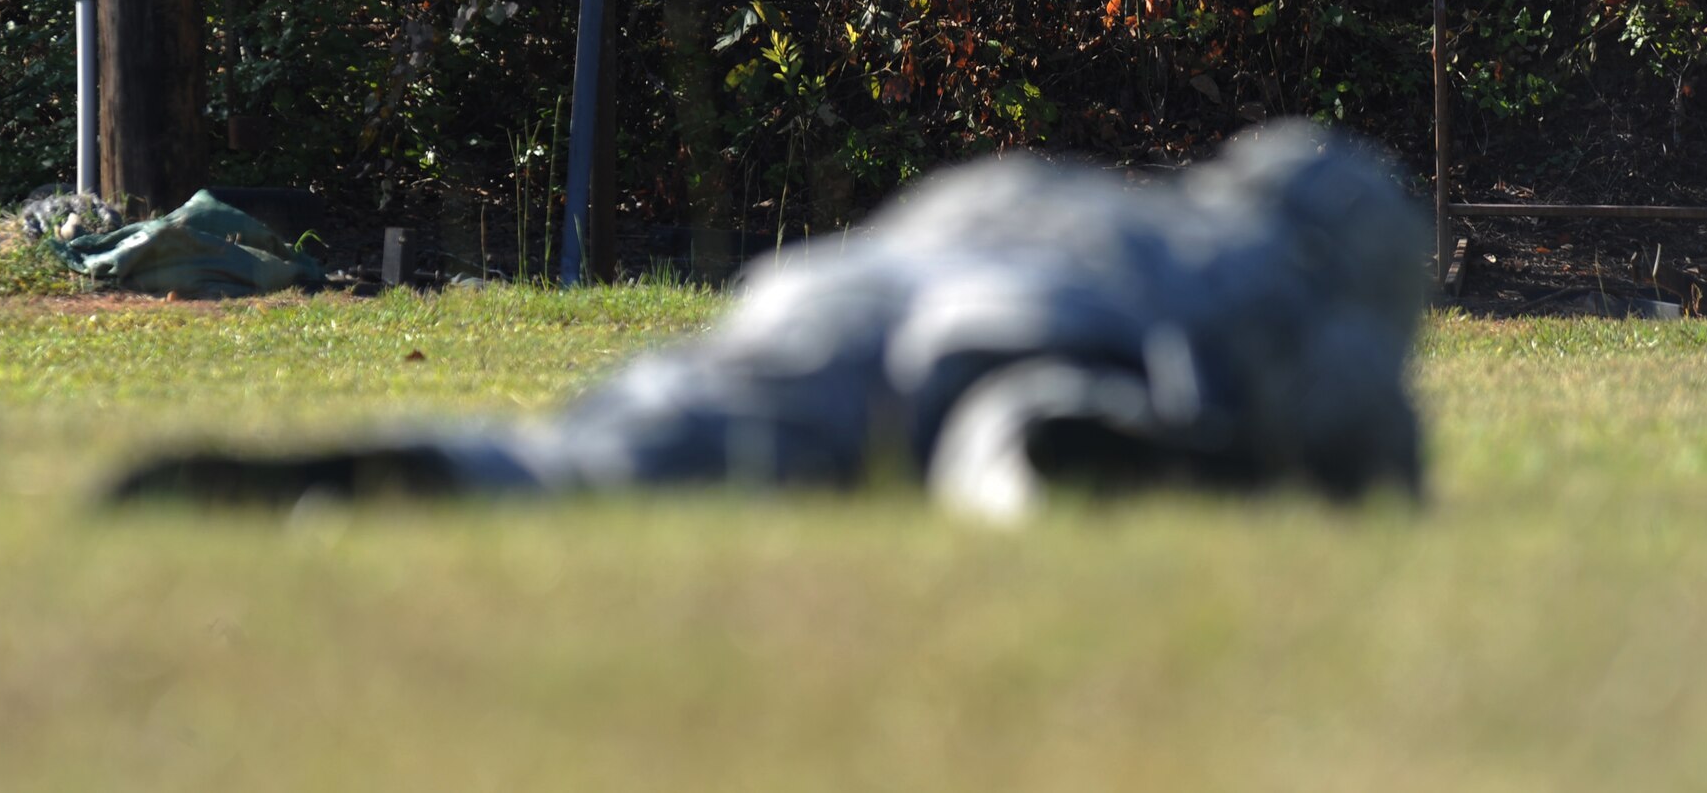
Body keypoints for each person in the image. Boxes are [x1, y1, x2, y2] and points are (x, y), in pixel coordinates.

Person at [112, 120, 1428, 520]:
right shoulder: (1266, 273)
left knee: (628, 449)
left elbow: (902, 240)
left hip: (818, 300)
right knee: (1000, 408)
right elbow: (1366, 431)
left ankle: (428, 470)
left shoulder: (1040, 180)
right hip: (1037, 323)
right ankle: (1038, 463)